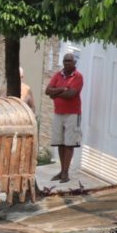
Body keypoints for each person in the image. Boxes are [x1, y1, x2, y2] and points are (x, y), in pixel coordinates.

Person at [45, 52, 83, 183]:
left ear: (74, 63)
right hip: (58, 113)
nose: (67, 63)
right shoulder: (58, 75)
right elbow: (47, 90)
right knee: (60, 143)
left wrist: (55, 93)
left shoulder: (78, 77)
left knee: (69, 143)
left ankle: (66, 172)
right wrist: (62, 89)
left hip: (72, 113)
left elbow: (71, 94)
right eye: (65, 61)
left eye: (69, 61)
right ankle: (62, 171)